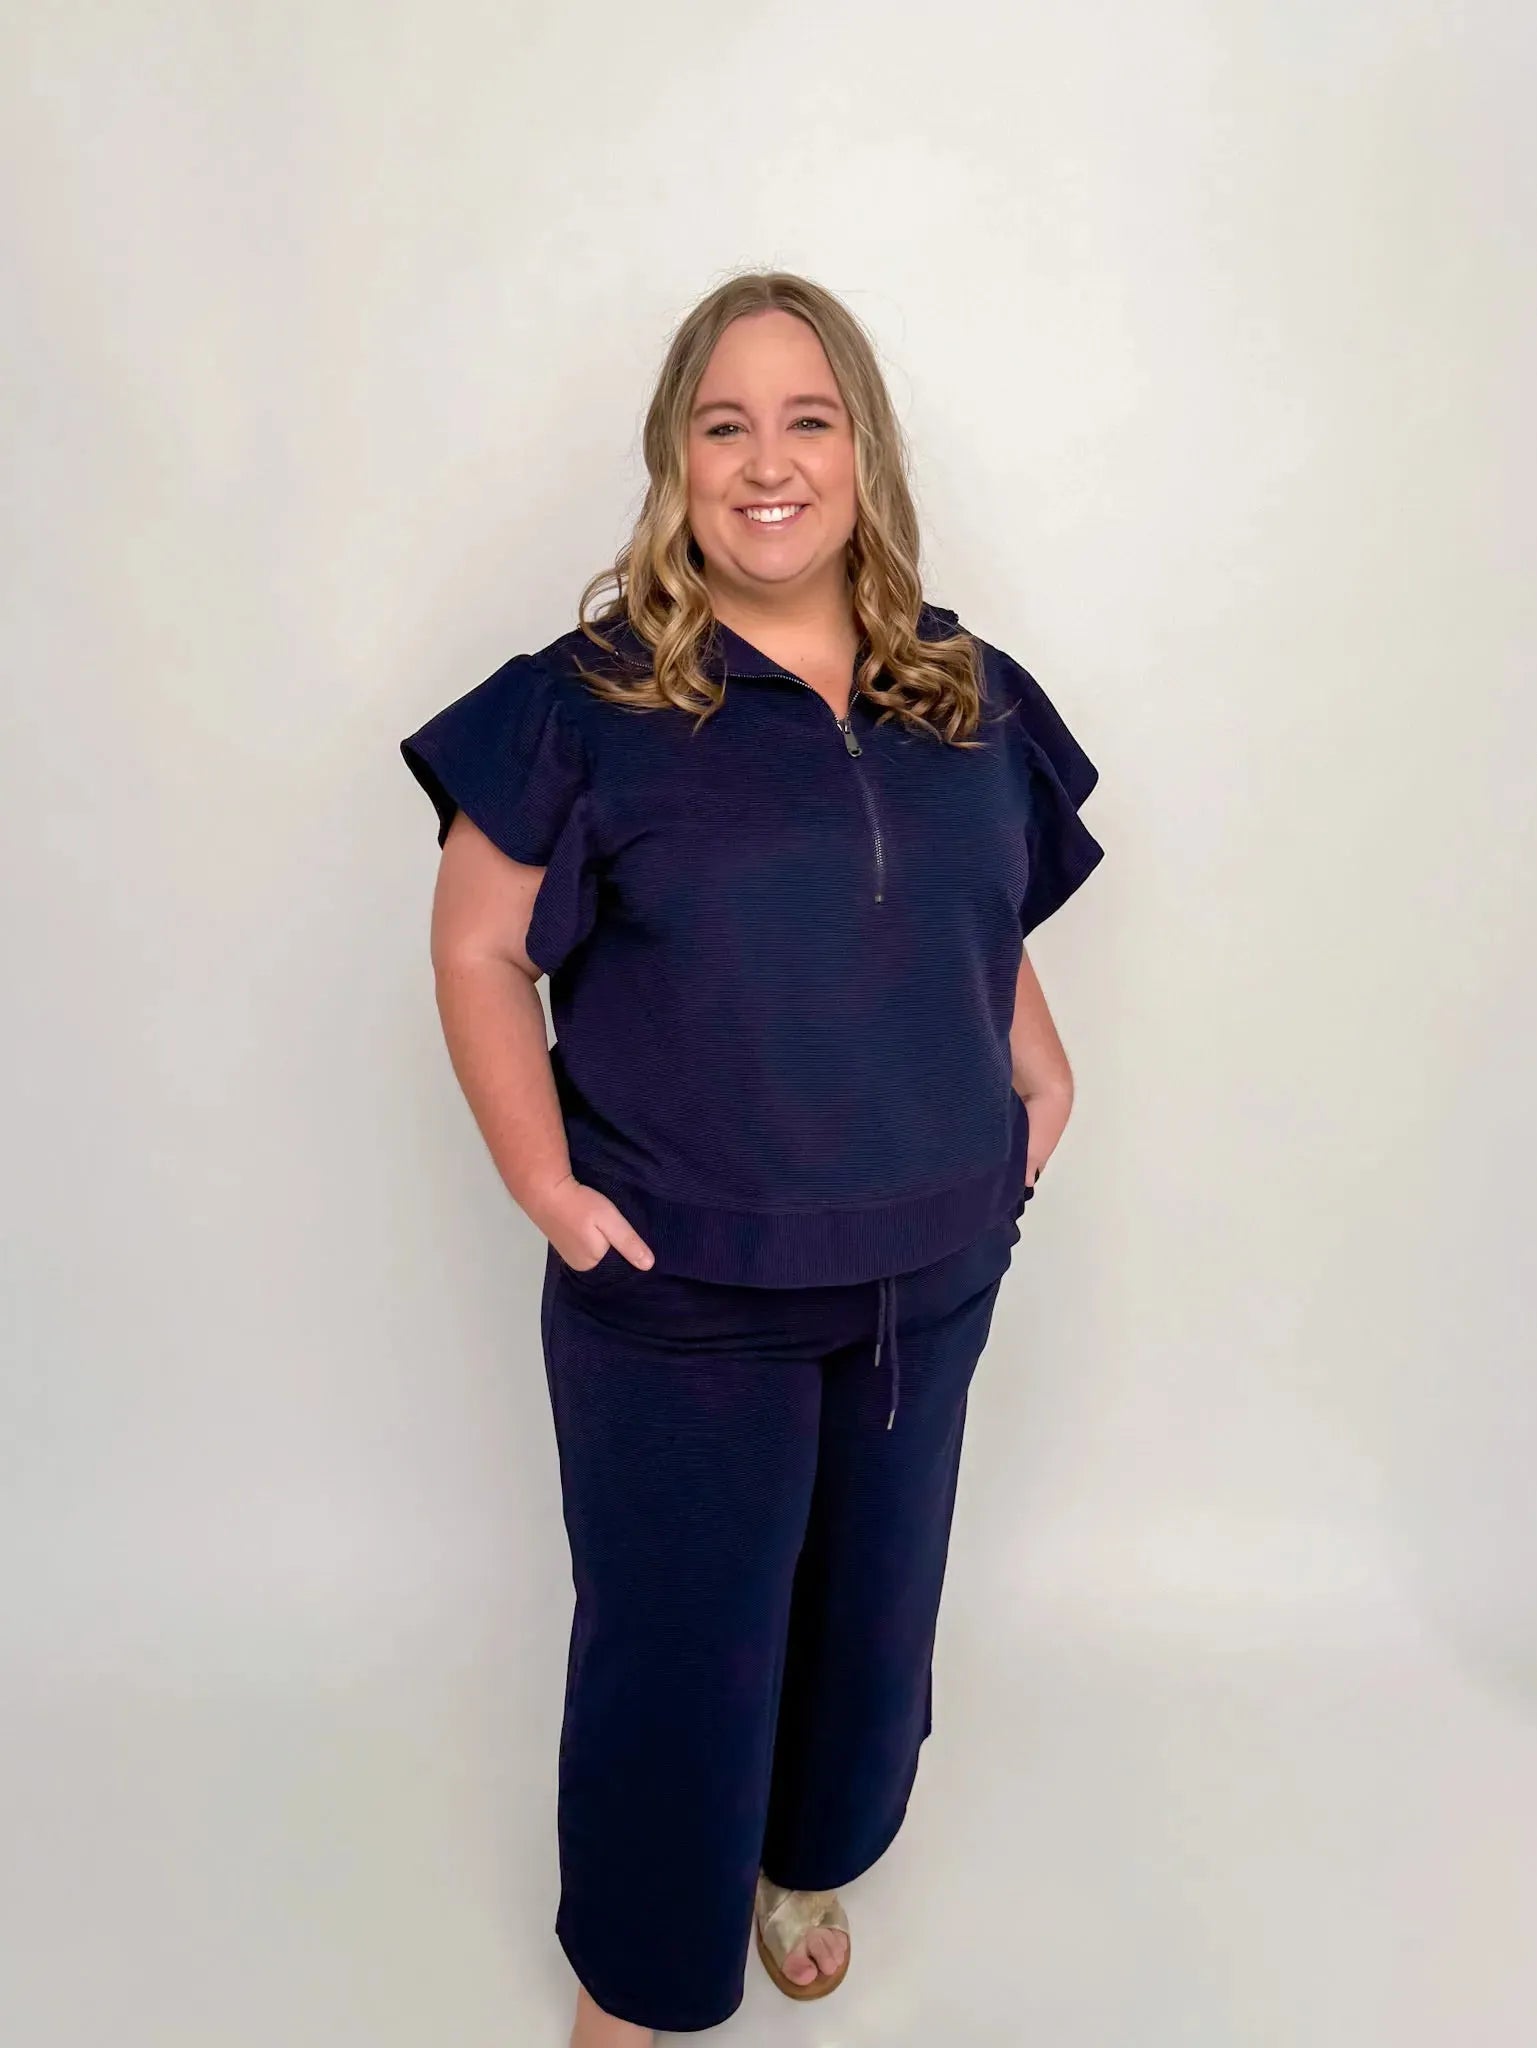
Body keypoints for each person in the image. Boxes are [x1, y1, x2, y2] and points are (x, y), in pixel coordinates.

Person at [399, 270, 1105, 2046]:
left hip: (929, 1269)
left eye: (807, 421)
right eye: (725, 426)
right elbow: (478, 947)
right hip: (684, 1293)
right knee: (679, 1660)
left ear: (863, 451)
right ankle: (636, 1982)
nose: (767, 462)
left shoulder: (963, 689)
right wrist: (546, 1188)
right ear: (675, 461)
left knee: (869, 1630)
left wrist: (1038, 1076)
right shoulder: (583, 705)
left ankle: (804, 1860)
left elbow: (976, 909)